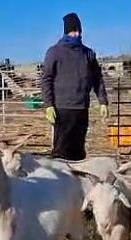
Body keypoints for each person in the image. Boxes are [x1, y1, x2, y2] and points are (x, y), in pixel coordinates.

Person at [41, 12, 109, 160]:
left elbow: (97, 79)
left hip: (81, 108)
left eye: (79, 30)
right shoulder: (55, 52)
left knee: (78, 150)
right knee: (61, 151)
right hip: (62, 108)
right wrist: (48, 105)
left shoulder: (88, 54)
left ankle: (77, 181)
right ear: (67, 32)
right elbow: (46, 79)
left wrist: (103, 101)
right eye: (74, 31)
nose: (77, 34)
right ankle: (60, 181)